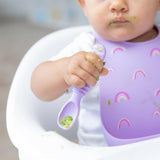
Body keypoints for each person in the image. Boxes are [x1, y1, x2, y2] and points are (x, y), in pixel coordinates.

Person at [31, 0, 160, 146]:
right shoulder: (87, 49)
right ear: (84, 5)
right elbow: (39, 88)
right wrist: (64, 70)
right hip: (101, 153)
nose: (118, 4)